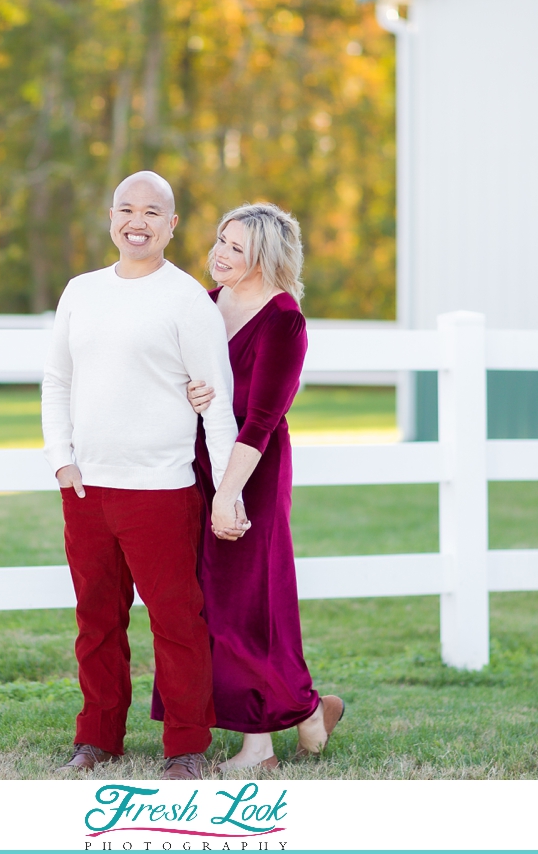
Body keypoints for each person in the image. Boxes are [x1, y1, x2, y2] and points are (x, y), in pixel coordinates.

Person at [41, 171, 238, 780]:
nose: (138, 221)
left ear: (171, 225)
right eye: (127, 209)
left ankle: (186, 747)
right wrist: (61, 456)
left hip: (161, 488)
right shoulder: (80, 291)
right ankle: (98, 737)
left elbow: (220, 401)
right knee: (96, 619)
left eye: (153, 212)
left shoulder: (186, 299)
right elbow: (58, 380)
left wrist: (226, 492)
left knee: (176, 621)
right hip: (87, 487)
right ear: (110, 218)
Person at [163, 202, 344, 769]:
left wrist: (228, 492)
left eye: (236, 248)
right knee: (206, 600)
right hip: (198, 465)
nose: (219, 253)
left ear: (265, 257)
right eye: (220, 239)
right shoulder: (206, 304)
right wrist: (188, 391)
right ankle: (309, 712)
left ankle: (258, 746)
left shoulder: (284, 319)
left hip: (252, 472)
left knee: (247, 600)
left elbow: (262, 417)